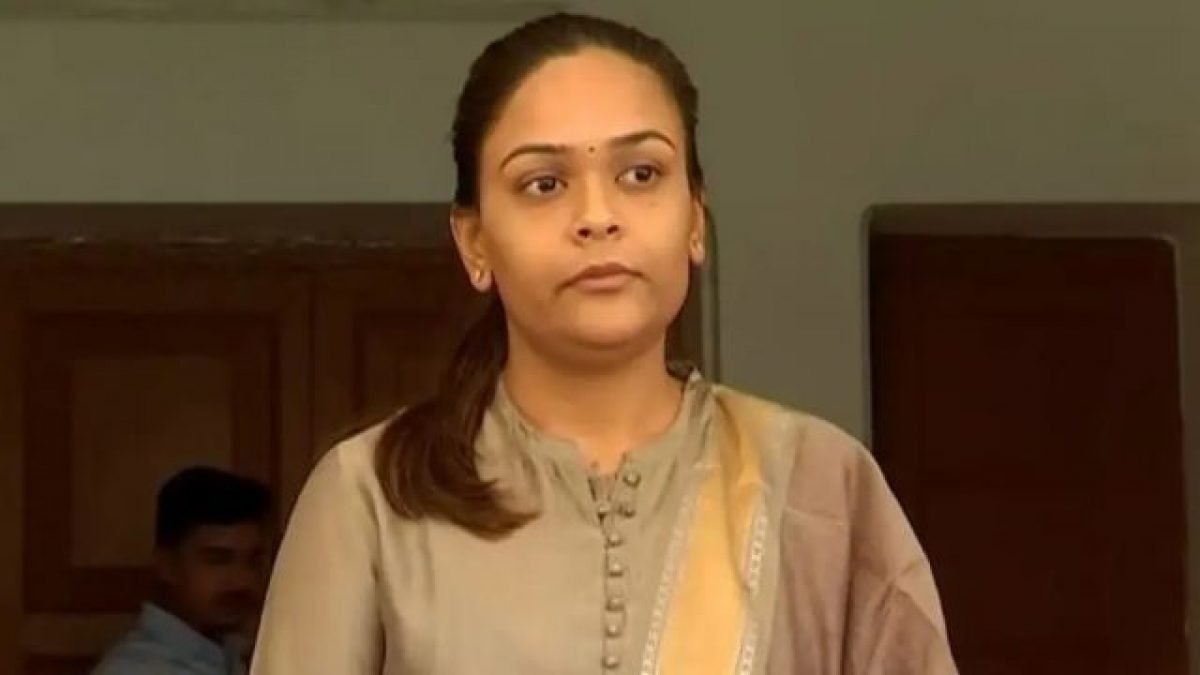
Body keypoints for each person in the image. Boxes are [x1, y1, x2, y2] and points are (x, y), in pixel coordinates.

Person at [251, 12, 957, 675]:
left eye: (641, 174)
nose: (597, 216)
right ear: (475, 242)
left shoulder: (817, 483)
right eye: (544, 183)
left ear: (695, 220)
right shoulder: (373, 495)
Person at [94, 467, 272, 675]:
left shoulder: (234, 653)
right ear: (167, 565)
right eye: (217, 560)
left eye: (253, 561)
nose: (242, 580)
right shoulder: (138, 670)